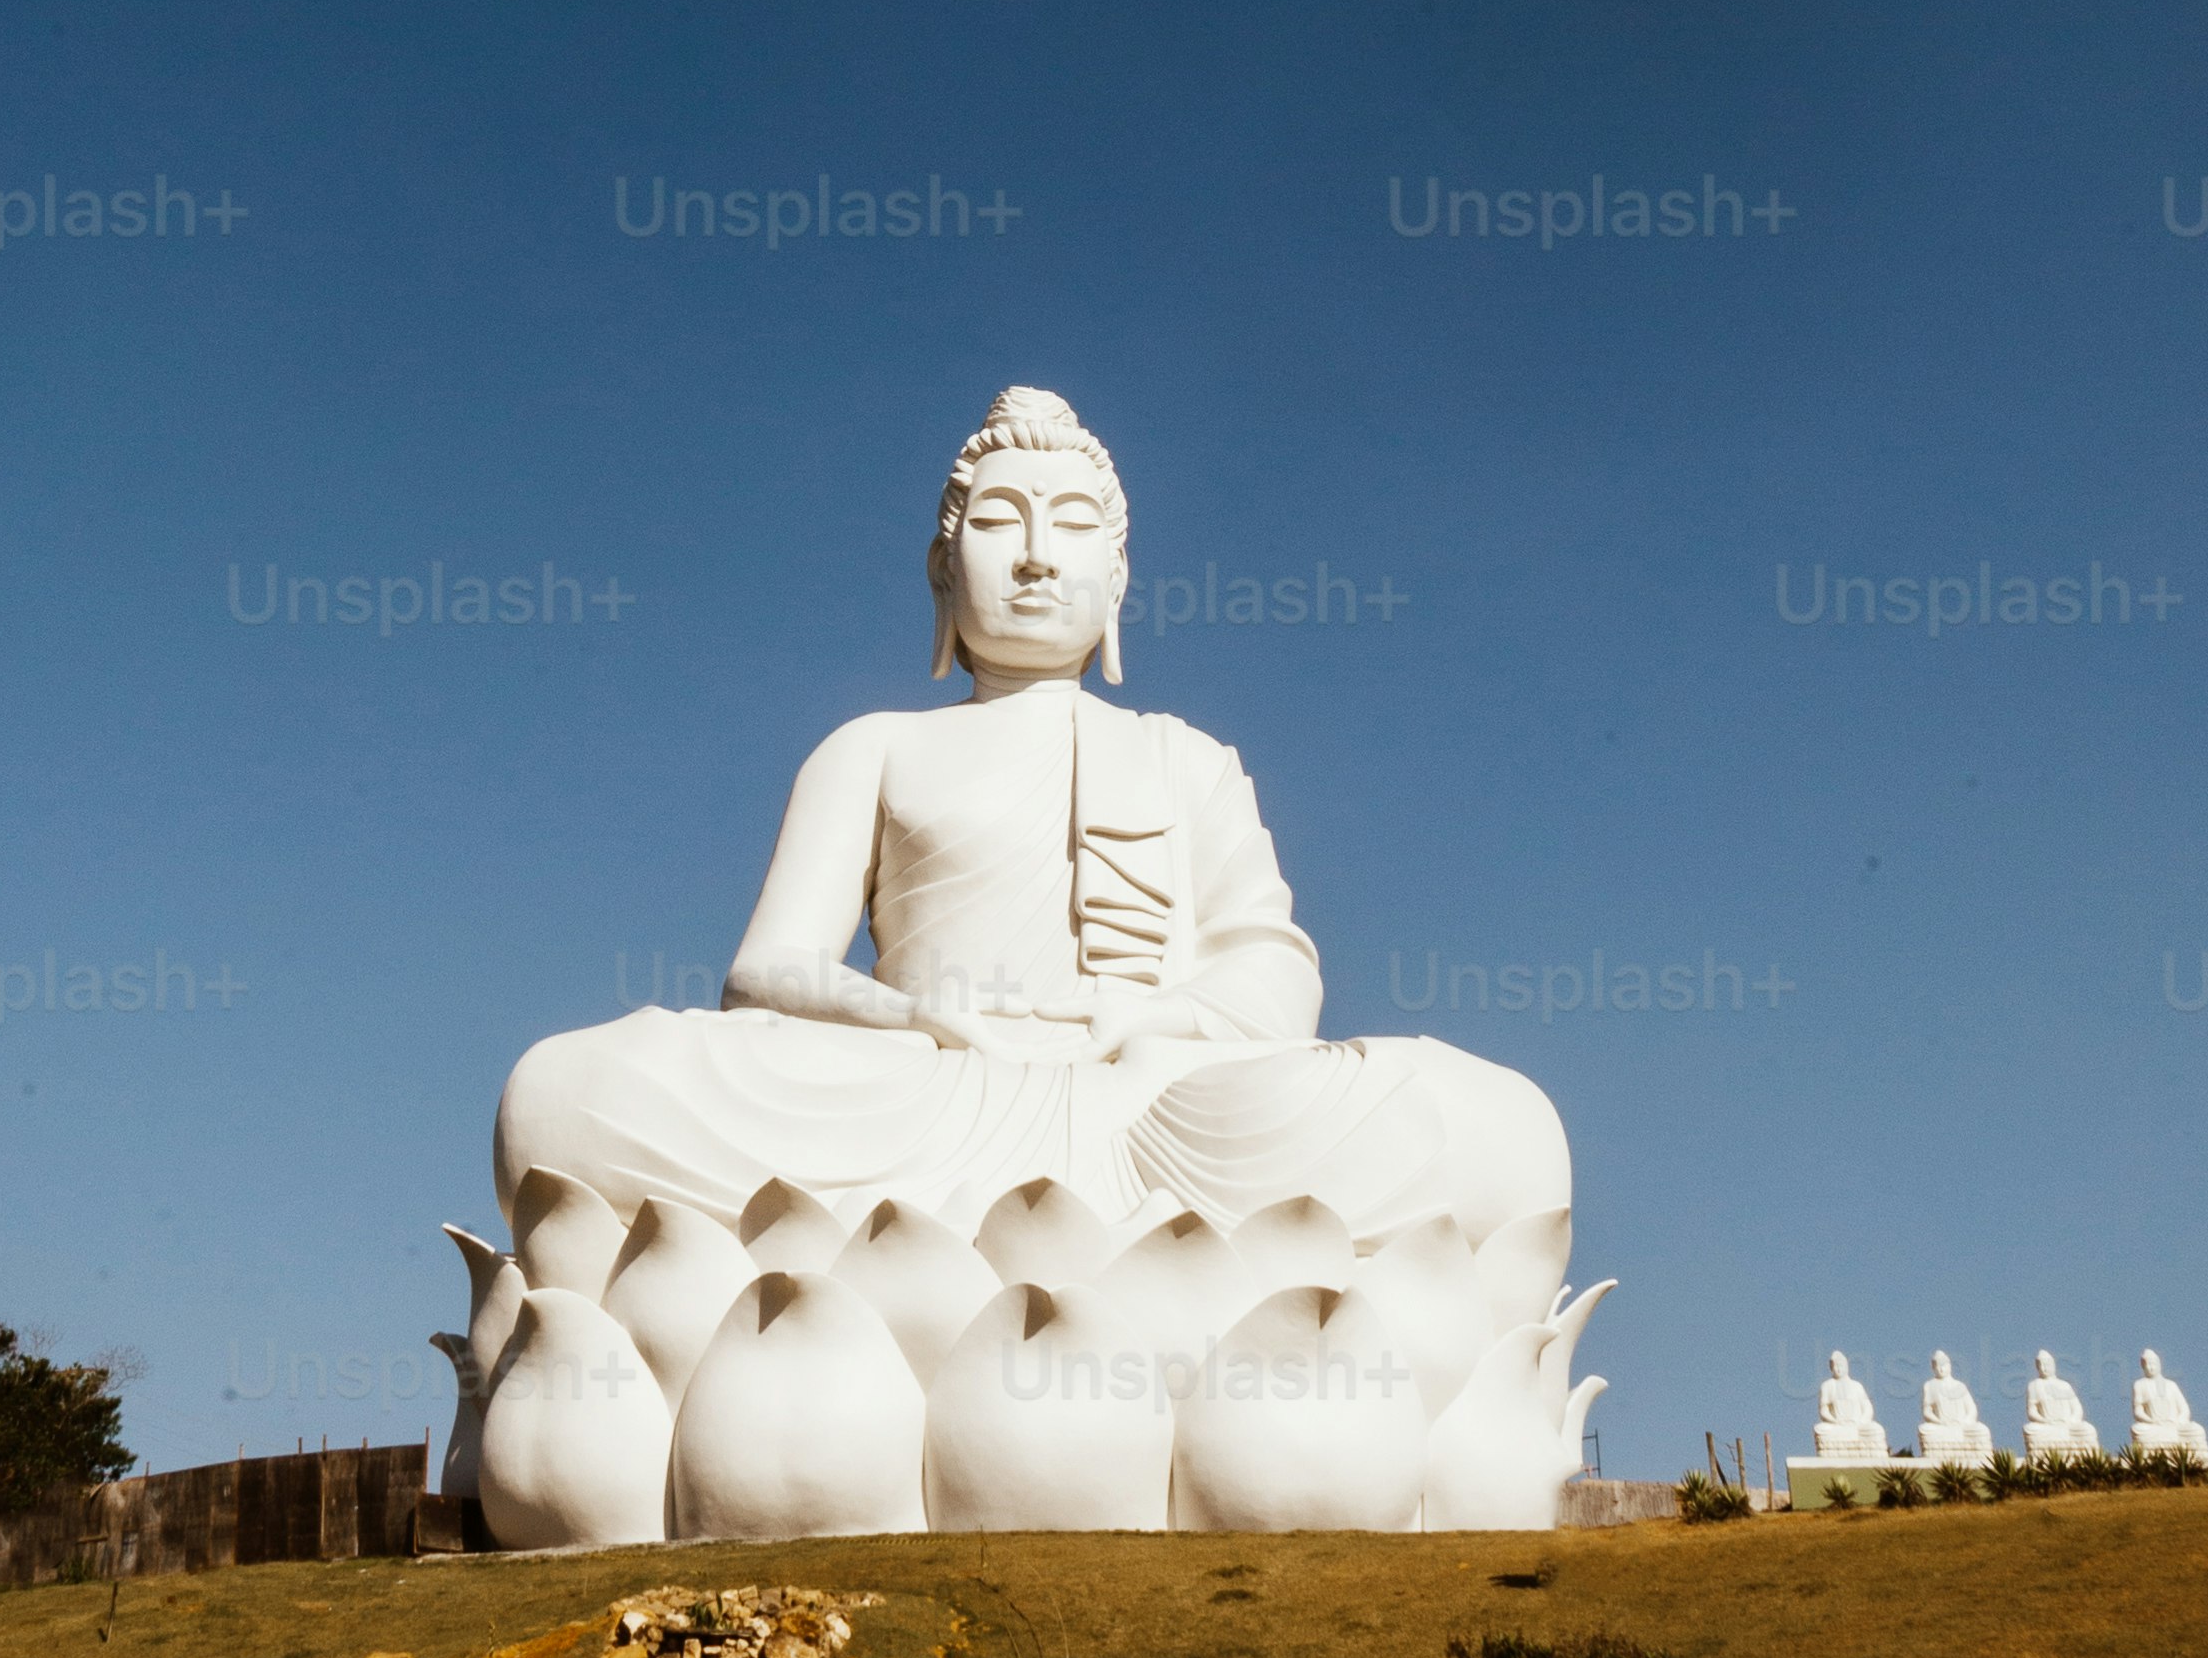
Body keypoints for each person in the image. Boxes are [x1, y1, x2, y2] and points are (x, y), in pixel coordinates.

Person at [493, 386, 1573, 1252]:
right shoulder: (873, 744)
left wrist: (1149, 1026)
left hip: (1162, 1105)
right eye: (1000, 522)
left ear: (1118, 578)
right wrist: (922, 1020)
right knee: (570, 1093)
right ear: (940, 566)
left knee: (1494, 1125)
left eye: (1072, 527)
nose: (1036, 556)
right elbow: (766, 974)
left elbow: (1275, 974)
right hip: (921, 1097)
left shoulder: (1183, 756)